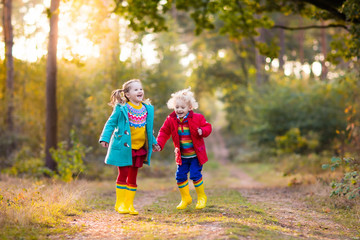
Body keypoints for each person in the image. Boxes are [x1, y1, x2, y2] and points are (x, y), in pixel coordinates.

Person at [99, 79, 159, 215]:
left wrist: (154, 142)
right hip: (124, 148)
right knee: (123, 173)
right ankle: (119, 204)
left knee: (133, 176)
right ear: (127, 94)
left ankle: (129, 204)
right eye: (136, 89)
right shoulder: (121, 109)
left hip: (139, 148)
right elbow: (110, 123)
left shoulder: (147, 109)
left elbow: (148, 130)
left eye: (141, 89)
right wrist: (105, 138)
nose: (140, 91)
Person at [156, 88, 212, 210]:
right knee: (180, 176)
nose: (179, 110)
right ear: (173, 107)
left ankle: (202, 197)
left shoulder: (198, 118)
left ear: (189, 107)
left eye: (182, 107)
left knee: (195, 174)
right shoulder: (171, 120)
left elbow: (208, 127)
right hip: (182, 156)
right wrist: (159, 144)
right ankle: (185, 198)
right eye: (177, 107)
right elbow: (164, 132)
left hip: (196, 155)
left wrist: (202, 131)